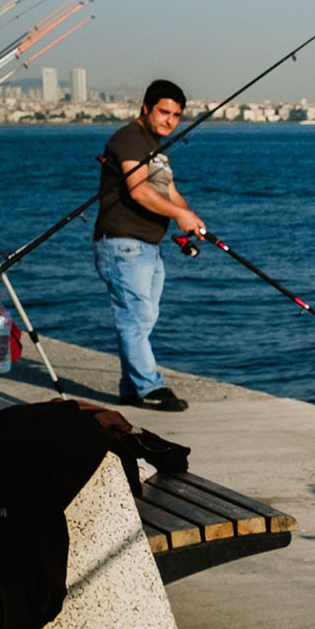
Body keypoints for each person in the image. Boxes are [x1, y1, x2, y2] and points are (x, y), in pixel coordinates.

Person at [94, 79, 203, 412]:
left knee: (143, 317)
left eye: (176, 116)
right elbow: (138, 190)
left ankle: (131, 387)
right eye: (164, 112)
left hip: (148, 246)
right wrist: (178, 215)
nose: (170, 121)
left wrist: (189, 218)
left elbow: (168, 192)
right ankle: (149, 387)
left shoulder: (156, 149)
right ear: (146, 108)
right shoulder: (128, 140)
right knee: (136, 317)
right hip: (123, 244)